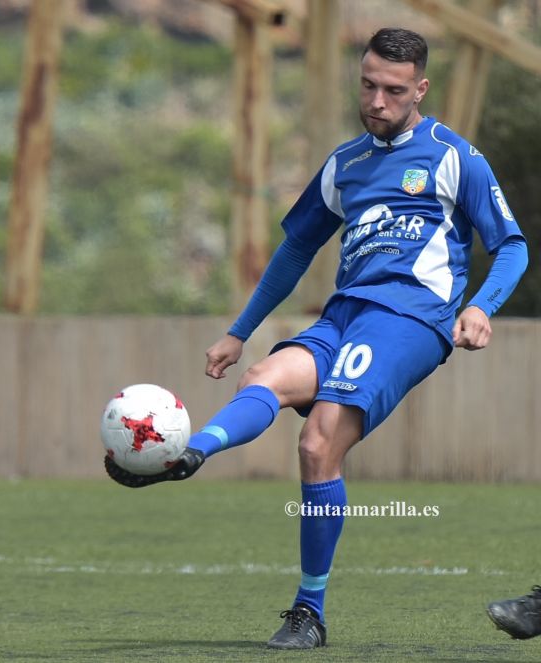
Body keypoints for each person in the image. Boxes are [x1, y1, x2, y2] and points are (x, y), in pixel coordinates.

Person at [105, 27, 528, 649]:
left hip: (411, 318)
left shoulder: (454, 157)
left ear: (420, 89)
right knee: (264, 379)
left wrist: (482, 307)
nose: (377, 101)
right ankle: (186, 455)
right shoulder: (345, 163)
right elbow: (297, 249)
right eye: (368, 85)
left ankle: (309, 612)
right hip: (344, 314)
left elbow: (512, 246)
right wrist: (239, 332)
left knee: (317, 441)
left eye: (393, 90)